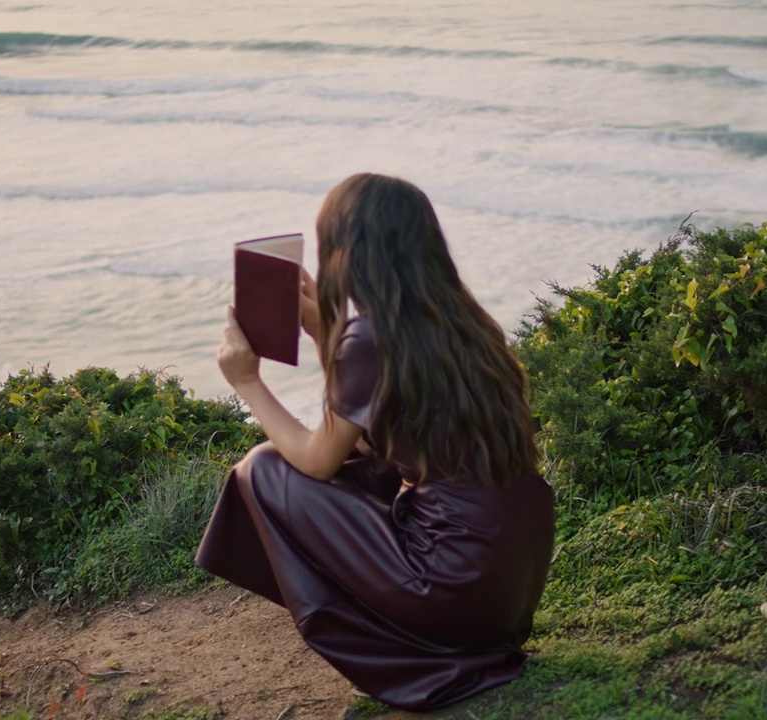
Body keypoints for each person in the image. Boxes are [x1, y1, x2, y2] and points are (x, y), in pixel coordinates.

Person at [195, 173, 554, 711]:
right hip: (507, 585)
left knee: (264, 467)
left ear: (347, 253)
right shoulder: (463, 322)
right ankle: (433, 642)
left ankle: (408, 650)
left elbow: (316, 461)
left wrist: (248, 381)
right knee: (364, 464)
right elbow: (362, 434)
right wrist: (326, 335)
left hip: (450, 583)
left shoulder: (371, 338)